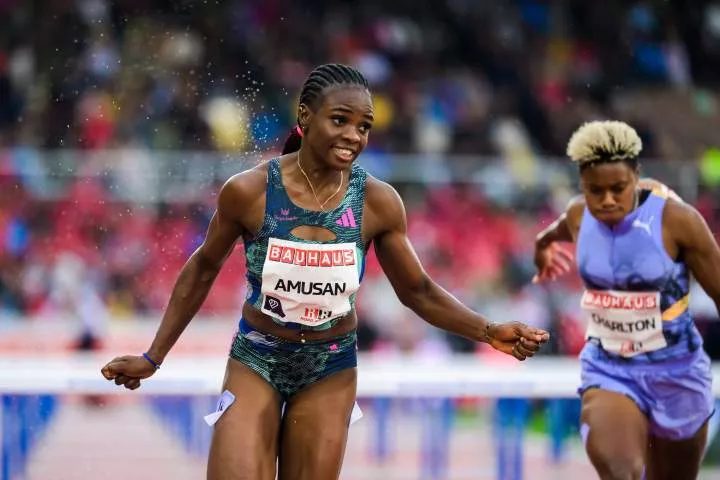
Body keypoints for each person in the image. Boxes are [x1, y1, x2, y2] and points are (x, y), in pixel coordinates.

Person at [100, 63, 550, 480]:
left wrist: (489, 331)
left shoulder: (377, 201)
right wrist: (153, 357)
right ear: (305, 116)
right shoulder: (250, 191)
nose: (353, 135)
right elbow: (201, 269)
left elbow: (418, 291)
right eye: (340, 120)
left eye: (364, 126)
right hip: (258, 356)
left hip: (329, 366)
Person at [533, 120, 718, 480]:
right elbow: (553, 232)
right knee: (622, 471)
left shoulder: (677, 221)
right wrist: (543, 247)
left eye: (618, 188)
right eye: (594, 190)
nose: (606, 201)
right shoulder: (577, 214)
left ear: (637, 175)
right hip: (611, 368)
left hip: (678, 372)